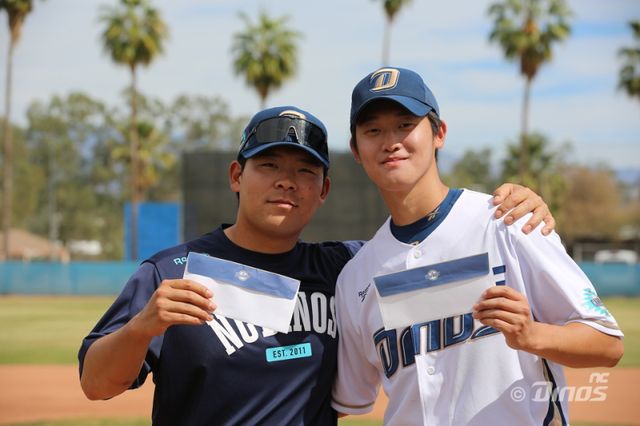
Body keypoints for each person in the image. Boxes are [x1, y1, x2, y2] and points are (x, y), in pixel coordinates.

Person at [79, 105, 555, 425]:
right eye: (269, 165)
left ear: (323, 190)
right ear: (237, 175)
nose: (287, 181)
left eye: (305, 171)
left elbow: (433, 247)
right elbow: (96, 385)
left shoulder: (347, 269)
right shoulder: (174, 271)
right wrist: (142, 327)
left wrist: (515, 204)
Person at [331, 67, 624, 425]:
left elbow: (607, 343)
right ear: (356, 150)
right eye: (372, 130)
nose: (390, 141)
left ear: (439, 133)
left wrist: (532, 335)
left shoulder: (509, 221)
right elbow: (350, 397)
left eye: (405, 124)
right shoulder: (356, 276)